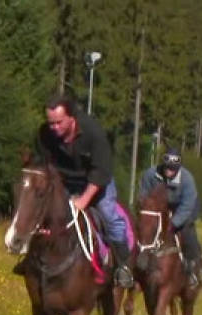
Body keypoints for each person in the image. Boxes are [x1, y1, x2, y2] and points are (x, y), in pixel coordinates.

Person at [16, 95, 133, 288]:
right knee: (43, 212)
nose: (54, 128)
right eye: (50, 123)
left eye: (59, 123)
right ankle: (29, 260)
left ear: (72, 118)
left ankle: (123, 267)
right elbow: (45, 165)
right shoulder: (45, 134)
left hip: (96, 182)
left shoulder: (94, 134)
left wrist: (84, 200)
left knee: (109, 216)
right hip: (64, 181)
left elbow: (101, 172)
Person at [139, 148, 202, 288]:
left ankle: (195, 268)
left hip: (184, 207)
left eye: (172, 169)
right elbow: (143, 197)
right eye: (167, 168)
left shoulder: (187, 179)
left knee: (187, 231)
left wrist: (173, 224)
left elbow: (187, 206)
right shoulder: (150, 175)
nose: (169, 171)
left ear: (178, 168)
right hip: (159, 208)